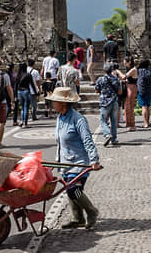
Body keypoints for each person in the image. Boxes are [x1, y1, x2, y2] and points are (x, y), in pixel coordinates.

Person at [46, 87, 102, 229]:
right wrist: (57, 160)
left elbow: (87, 140)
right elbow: (60, 142)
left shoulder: (79, 119)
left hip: (79, 163)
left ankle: (92, 211)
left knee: (73, 189)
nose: (52, 103)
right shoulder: (60, 117)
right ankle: (78, 218)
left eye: (55, 101)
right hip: (65, 163)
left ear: (63, 103)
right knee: (68, 189)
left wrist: (94, 160)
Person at [95, 63, 121, 146]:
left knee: (103, 120)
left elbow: (96, 90)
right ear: (112, 70)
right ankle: (114, 139)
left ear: (104, 70)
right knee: (114, 121)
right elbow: (120, 91)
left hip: (105, 102)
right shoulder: (116, 79)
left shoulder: (100, 79)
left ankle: (107, 134)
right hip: (114, 101)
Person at [16, 62, 37, 128]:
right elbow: (32, 85)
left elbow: (16, 86)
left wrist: (15, 95)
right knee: (26, 107)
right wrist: (36, 92)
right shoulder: (28, 75)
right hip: (26, 91)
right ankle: (25, 123)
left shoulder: (18, 75)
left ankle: (22, 121)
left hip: (19, 91)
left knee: (22, 107)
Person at [136, 59, 151, 128]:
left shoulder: (139, 71)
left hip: (141, 90)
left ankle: (145, 123)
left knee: (144, 107)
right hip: (149, 90)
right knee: (148, 106)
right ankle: (148, 121)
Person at [122, 56, 138, 131]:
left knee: (130, 107)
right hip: (129, 87)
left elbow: (124, 77)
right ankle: (128, 123)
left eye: (125, 63)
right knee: (127, 106)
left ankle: (132, 125)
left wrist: (117, 72)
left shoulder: (133, 69)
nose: (125, 64)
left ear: (129, 62)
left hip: (131, 89)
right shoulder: (131, 69)